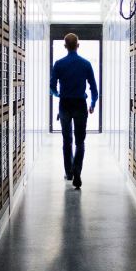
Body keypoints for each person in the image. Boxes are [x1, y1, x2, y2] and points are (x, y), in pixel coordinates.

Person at [50, 32, 98, 189]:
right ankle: (77, 171)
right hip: (80, 104)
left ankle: (69, 173)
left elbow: (52, 88)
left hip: (64, 104)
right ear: (78, 45)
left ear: (65, 46)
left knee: (67, 140)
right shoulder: (86, 64)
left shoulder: (58, 64)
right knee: (80, 141)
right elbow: (94, 89)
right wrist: (92, 103)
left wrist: (59, 94)